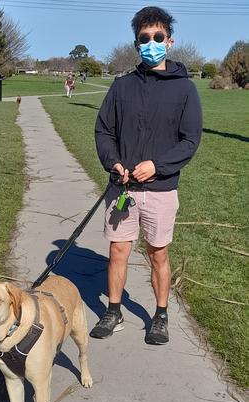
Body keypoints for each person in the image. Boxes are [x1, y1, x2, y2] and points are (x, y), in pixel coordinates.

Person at [89, 6, 202, 343]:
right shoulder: (121, 87)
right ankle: (113, 310)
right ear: (136, 43)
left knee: (158, 254)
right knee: (118, 252)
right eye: (144, 38)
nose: (151, 42)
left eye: (158, 37)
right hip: (122, 188)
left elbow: (190, 140)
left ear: (169, 42)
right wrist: (114, 163)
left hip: (160, 189)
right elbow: (104, 131)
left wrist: (158, 166)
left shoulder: (185, 90)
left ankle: (161, 314)